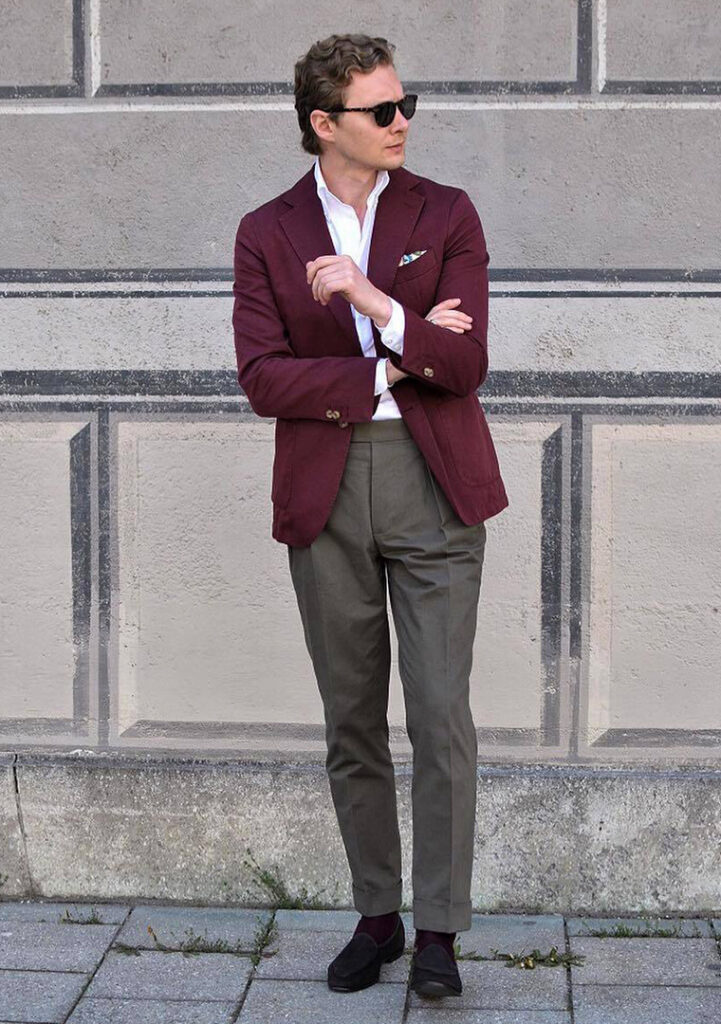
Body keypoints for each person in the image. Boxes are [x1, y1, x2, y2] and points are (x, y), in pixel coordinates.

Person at [232, 32, 508, 999]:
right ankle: (377, 916)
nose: (403, 124)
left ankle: (439, 931)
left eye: (405, 105)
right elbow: (262, 379)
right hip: (327, 486)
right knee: (351, 718)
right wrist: (394, 358)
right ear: (323, 124)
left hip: (435, 483)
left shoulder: (448, 212)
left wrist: (370, 298)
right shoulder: (266, 232)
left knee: (439, 716)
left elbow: (466, 365)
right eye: (381, 111)